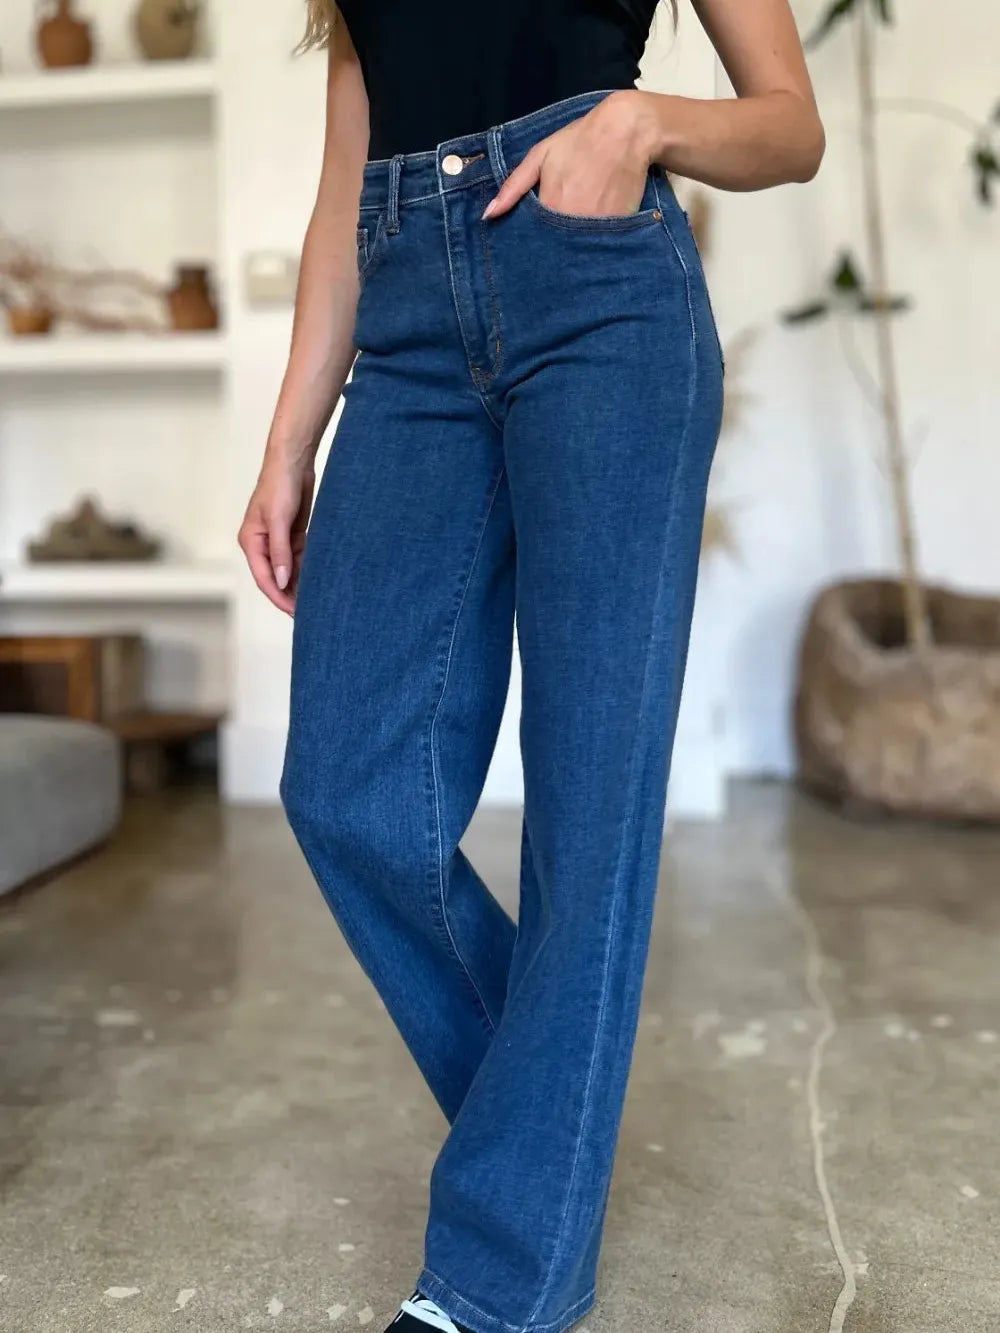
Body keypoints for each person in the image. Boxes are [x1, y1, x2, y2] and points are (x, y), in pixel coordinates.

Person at [238, 3, 823, 1331]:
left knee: (588, 812)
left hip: (602, 302)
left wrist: (643, 124)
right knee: (346, 794)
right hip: (405, 322)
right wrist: (287, 444)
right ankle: (551, 1149)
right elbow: (342, 193)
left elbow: (791, 128)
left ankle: (502, 1281)